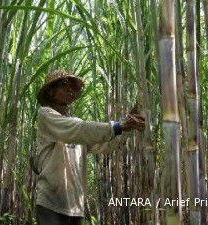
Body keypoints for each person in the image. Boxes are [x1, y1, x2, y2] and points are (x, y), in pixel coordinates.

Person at [34, 70, 145, 225]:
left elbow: (103, 145)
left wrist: (126, 127)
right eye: (64, 85)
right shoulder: (46, 115)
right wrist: (119, 126)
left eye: (73, 87)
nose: (70, 90)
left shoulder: (77, 126)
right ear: (51, 91)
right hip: (50, 203)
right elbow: (78, 129)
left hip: (75, 205)